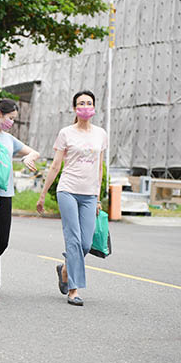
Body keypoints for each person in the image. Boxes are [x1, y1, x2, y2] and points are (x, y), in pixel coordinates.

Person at [36, 90, 107, 307]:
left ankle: (65, 269)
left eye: (89, 102)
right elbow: (56, 165)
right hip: (67, 190)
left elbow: (99, 168)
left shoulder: (101, 134)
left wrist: (97, 197)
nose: (85, 106)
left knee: (85, 243)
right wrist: (42, 194)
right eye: (81, 103)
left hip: (88, 195)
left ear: (94, 107)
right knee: (74, 240)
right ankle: (74, 290)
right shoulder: (66, 133)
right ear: (75, 108)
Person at [0, 99, 41, 299]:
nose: (11, 122)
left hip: (5, 194)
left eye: (14, 119)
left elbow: (34, 152)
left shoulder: (9, 139)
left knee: (2, 241)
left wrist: (30, 157)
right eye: (10, 118)